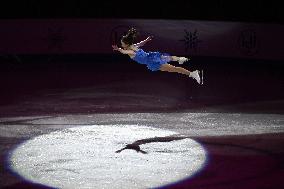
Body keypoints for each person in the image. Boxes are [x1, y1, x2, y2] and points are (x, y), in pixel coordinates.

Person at [112, 27, 202, 84]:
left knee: (175, 69)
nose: (121, 44)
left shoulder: (130, 51)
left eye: (122, 43)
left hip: (152, 61)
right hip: (152, 56)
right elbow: (141, 44)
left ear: (127, 44)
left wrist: (118, 49)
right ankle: (180, 59)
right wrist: (146, 40)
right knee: (171, 62)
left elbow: (124, 52)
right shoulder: (134, 46)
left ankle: (192, 73)